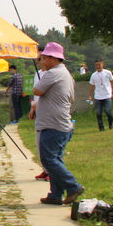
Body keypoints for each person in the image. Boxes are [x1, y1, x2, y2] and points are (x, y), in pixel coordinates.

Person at [33, 42, 83, 205]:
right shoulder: (66, 73)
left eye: (43, 58)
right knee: (56, 159)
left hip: (53, 124)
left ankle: (73, 186)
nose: (41, 61)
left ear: (53, 58)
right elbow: (72, 98)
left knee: (48, 160)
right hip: (62, 123)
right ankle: (55, 194)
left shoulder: (52, 73)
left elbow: (37, 91)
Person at [28, 57, 49, 181]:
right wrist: (33, 108)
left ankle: (51, 171)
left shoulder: (50, 74)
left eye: (40, 58)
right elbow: (35, 93)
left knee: (47, 142)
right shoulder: (38, 73)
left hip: (47, 111)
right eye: (37, 59)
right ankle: (45, 169)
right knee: (39, 141)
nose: (39, 61)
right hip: (38, 110)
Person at [89, 59, 113, 131]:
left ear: (102, 64)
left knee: (108, 111)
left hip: (107, 95)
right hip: (98, 96)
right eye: (96, 65)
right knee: (98, 113)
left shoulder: (108, 73)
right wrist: (90, 96)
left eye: (99, 64)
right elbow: (92, 86)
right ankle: (101, 128)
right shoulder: (93, 75)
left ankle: (110, 124)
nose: (98, 66)